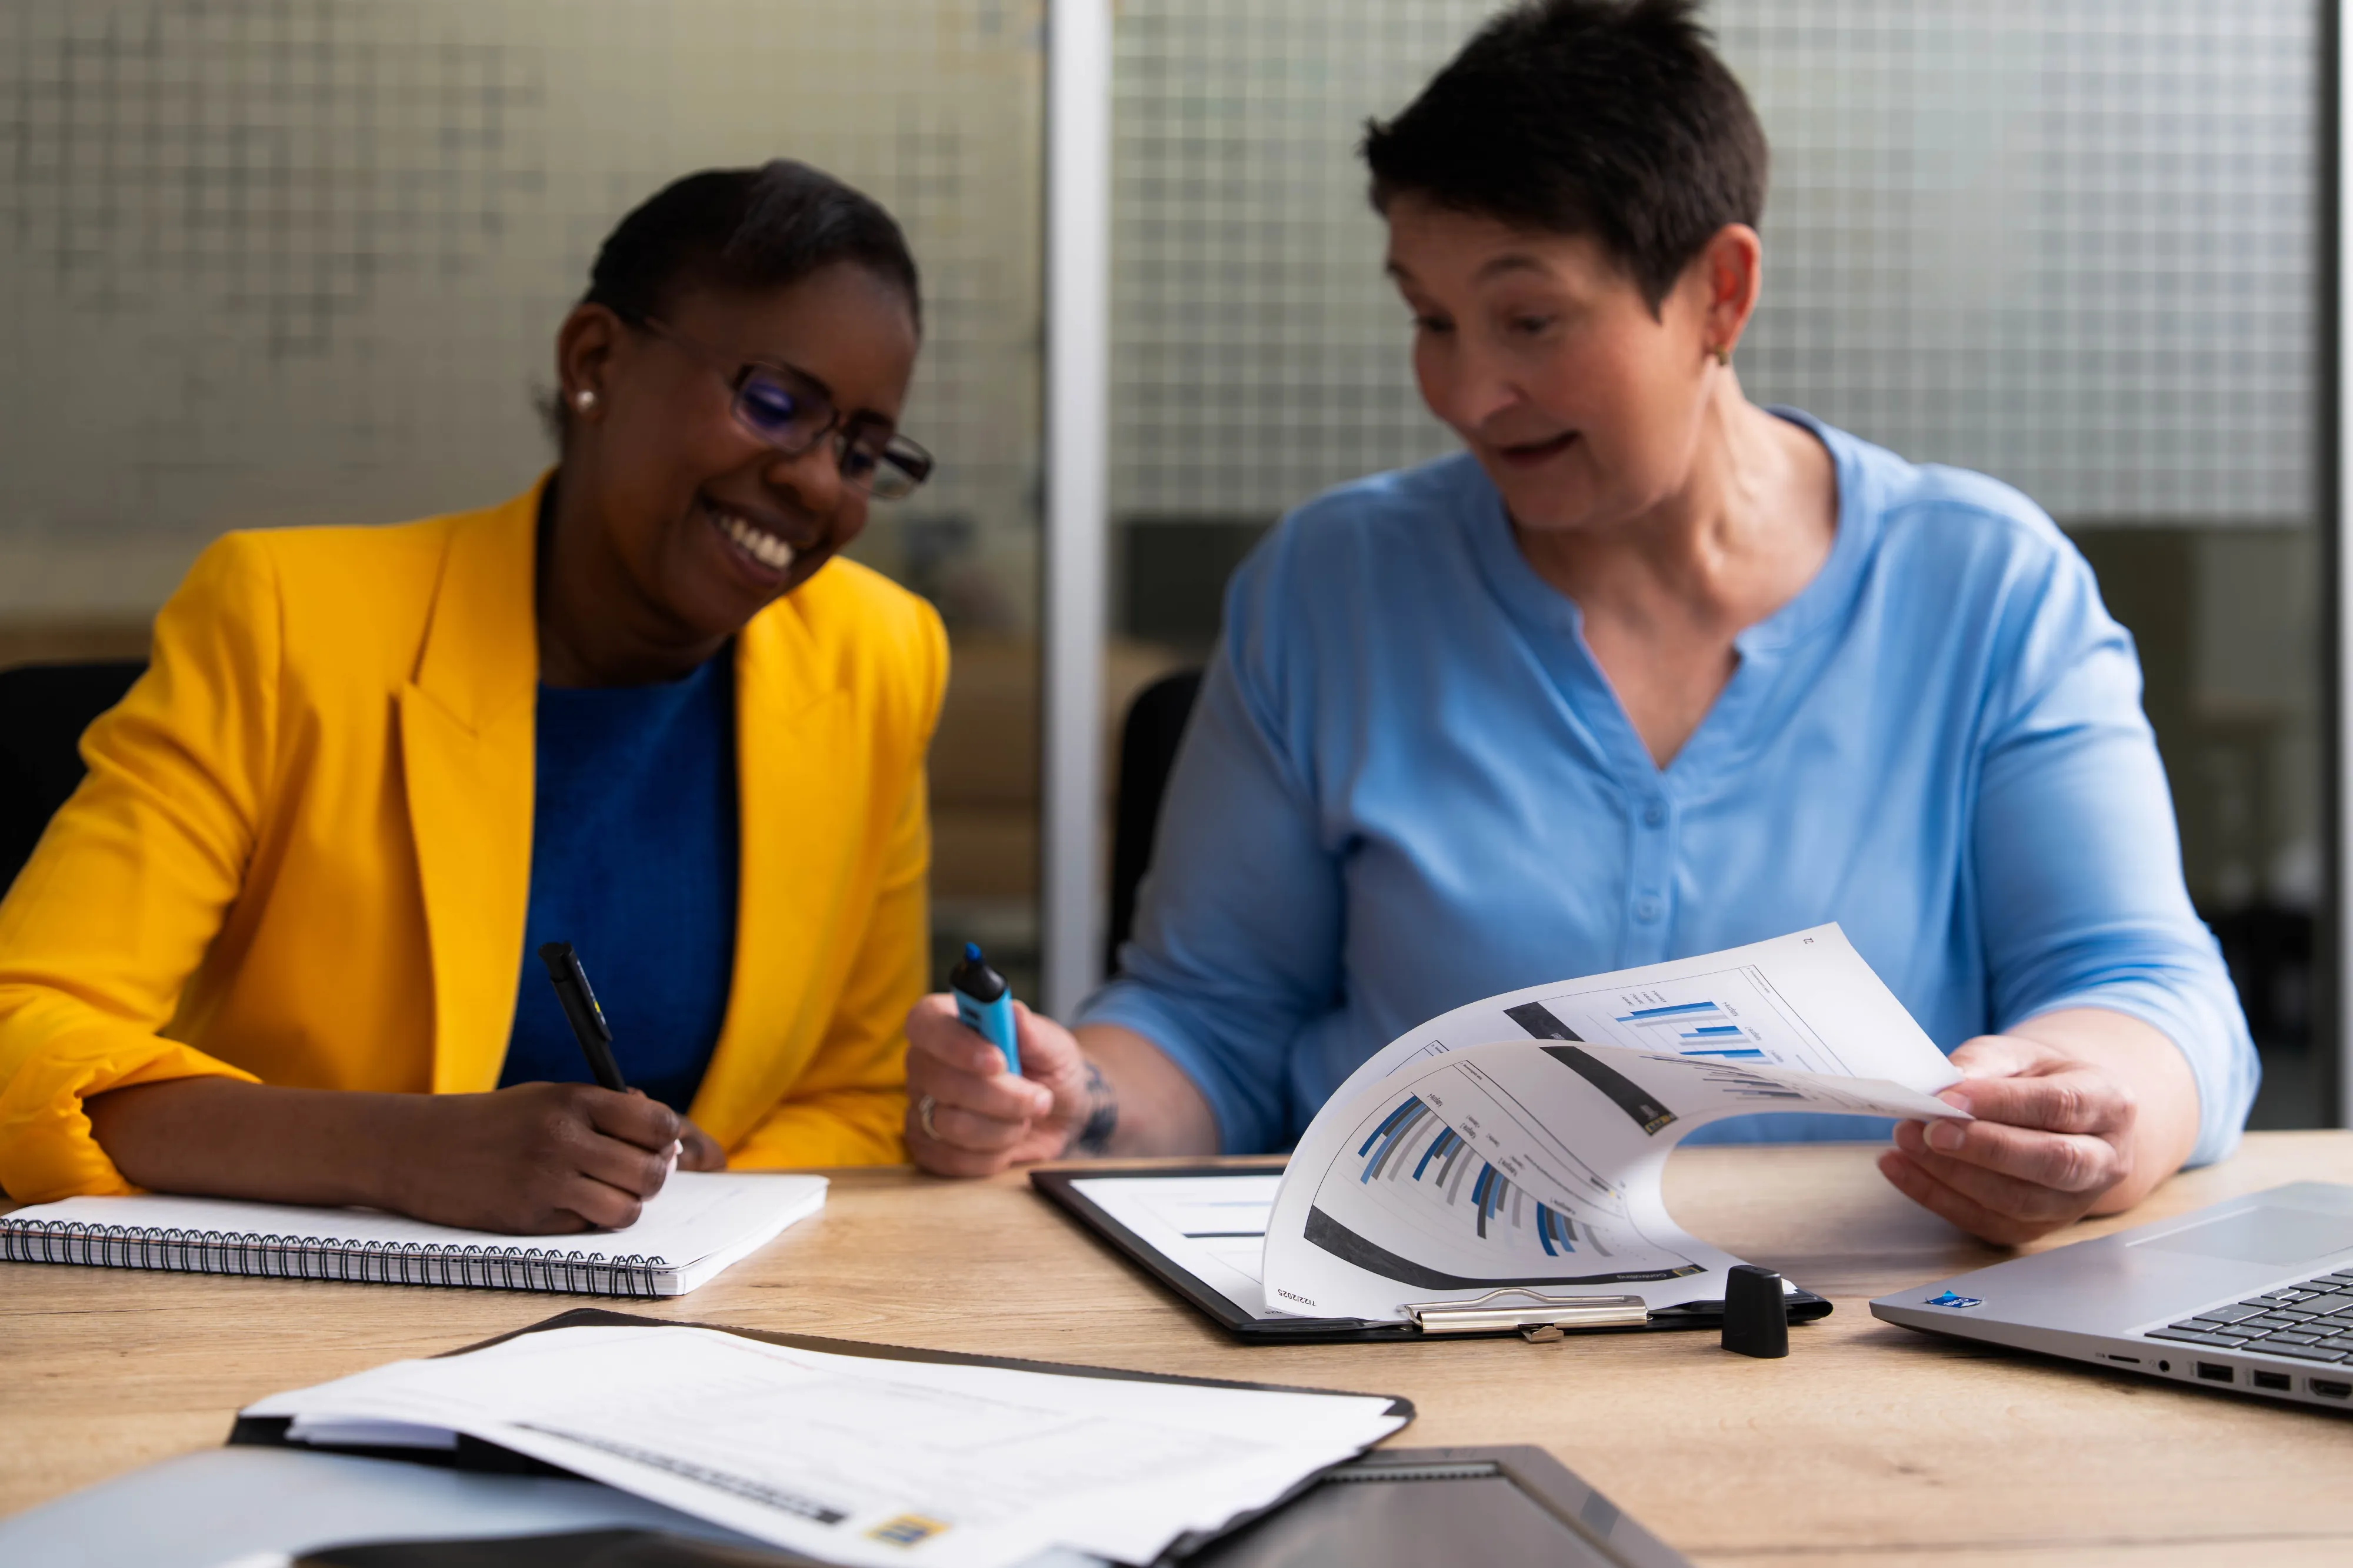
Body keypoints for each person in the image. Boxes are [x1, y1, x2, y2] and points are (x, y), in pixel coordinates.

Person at [904, 0, 2261, 1246]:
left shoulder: (1983, 587)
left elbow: (2141, 985)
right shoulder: (1329, 588)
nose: (1467, 390)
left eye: (1530, 318)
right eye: (1430, 319)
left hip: (1866, 1330)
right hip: (1409, 1318)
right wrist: (1067, 1099)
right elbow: (1208, 1024)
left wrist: (2096, 1112)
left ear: (1717, 294)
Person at [0, 161, 945, 1233]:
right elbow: (21, 1030)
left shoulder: (877, 655)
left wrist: (703, 1187)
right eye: (775, 402)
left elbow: (858, 1093)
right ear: (595, 360)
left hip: (673, 1344)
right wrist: (404, 1150)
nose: (821, 484)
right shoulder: (285, 621)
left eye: (864, 451)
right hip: (281, 1317)